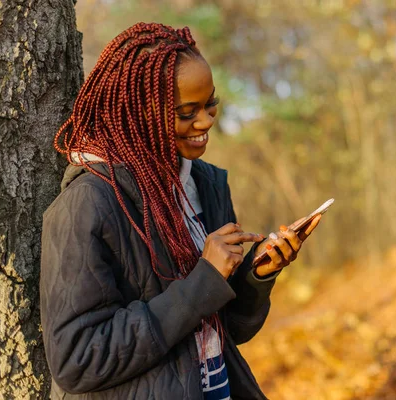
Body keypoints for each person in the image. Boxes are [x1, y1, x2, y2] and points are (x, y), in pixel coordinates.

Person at [40, 22, 321, 399]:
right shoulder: (87, 203)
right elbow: (77, 359)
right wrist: (203, 280)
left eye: (210, 105)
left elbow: (228, 329)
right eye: (187, 112)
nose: (205, 122)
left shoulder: (205, 184)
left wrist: (256, 276)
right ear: (140, 115)